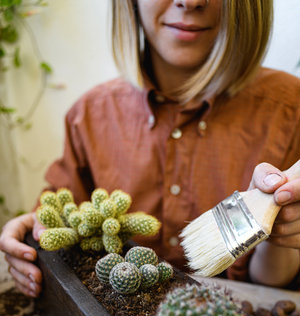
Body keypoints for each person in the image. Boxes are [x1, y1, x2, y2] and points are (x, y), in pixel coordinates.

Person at [0, 0, 299, 298]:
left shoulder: (290, 111)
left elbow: (274, 286)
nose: (190, 1)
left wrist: (280, 233)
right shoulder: (89, 116)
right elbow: (57, 216)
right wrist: (30, 234)